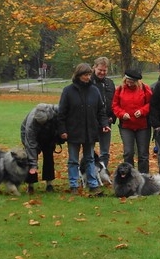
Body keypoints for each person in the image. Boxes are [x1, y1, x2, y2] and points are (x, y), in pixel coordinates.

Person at [58, 63, 110, 196]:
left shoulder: (94, 90)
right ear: (78, 75)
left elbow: (101, 111)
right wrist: (62, 130)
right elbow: (62, 113)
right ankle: (74, 185)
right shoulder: (68, 91)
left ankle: (93, 184)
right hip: (73, 130)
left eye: (89, 75)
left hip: (90, 131)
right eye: (85, 75)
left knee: (90, 159)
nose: (88, 77)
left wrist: (104, 124)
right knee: (73, 160)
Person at [111, 69, 152, 173]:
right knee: (128, 152)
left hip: (143, 126)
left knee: (143, 153)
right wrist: (122, 114)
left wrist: (142, 111)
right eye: (128, 80)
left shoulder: (144, 88)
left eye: (132, 81)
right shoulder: (120, 89)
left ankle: (143, 176)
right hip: (126, 126)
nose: (129, 83)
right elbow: (115, 105)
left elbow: (151, 103)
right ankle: (129, 175)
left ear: (137, 81)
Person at [21, 103, 62, 194]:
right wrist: (33, 165)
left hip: (48, 137)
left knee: (49, 158)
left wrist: (58, 137)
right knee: (30, 159)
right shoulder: (31, 123)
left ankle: (49, 184)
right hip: (31, 138)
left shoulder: (55, 112)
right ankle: (30, 185)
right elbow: (31, 145)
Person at [92, 57, 116, 171]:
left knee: (105, 151)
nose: (102, 72)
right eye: (100, 70)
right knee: (89, 150)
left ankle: (103, 172)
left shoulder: (110, 83)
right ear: (94, 68)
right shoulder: (88, 82)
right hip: (91, 122)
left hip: (107, 122)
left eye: (104, 70)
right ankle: (90, 172)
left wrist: (113, 116)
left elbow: (114, 101)